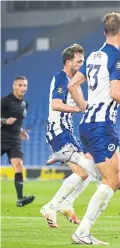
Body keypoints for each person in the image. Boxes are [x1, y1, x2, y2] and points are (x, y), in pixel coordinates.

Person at [67, 12, 120, 244]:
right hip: (101, 127)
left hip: (90, 124)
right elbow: (116, 92)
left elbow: (72, 84)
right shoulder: (117, 56)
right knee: (112, 181)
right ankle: (82, 232)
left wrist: (86, 108)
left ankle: (80, 161)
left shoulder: (94, 56)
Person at [40, 44, 96, 228]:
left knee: (86, 173)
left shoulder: (75, 83)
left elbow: (83, 104)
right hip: (58, 131)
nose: (82, 64)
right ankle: (51, 206)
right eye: (78, 61)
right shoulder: (61, 78)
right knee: (83, 171)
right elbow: (55, 104)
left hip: (67, 132)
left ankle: (66, 202)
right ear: (68, 61)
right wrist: (76, 109)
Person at [1, 76, 35, 207]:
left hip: (14, 140)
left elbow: (17, 122)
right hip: (1, 137)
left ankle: (20, 199)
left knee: (19, 165)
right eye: (20, 85)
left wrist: (20, 131)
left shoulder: (24, 104)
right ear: (14, 86)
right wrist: (4, 121)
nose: (22, 88)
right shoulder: (5, 101)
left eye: (24, 85)